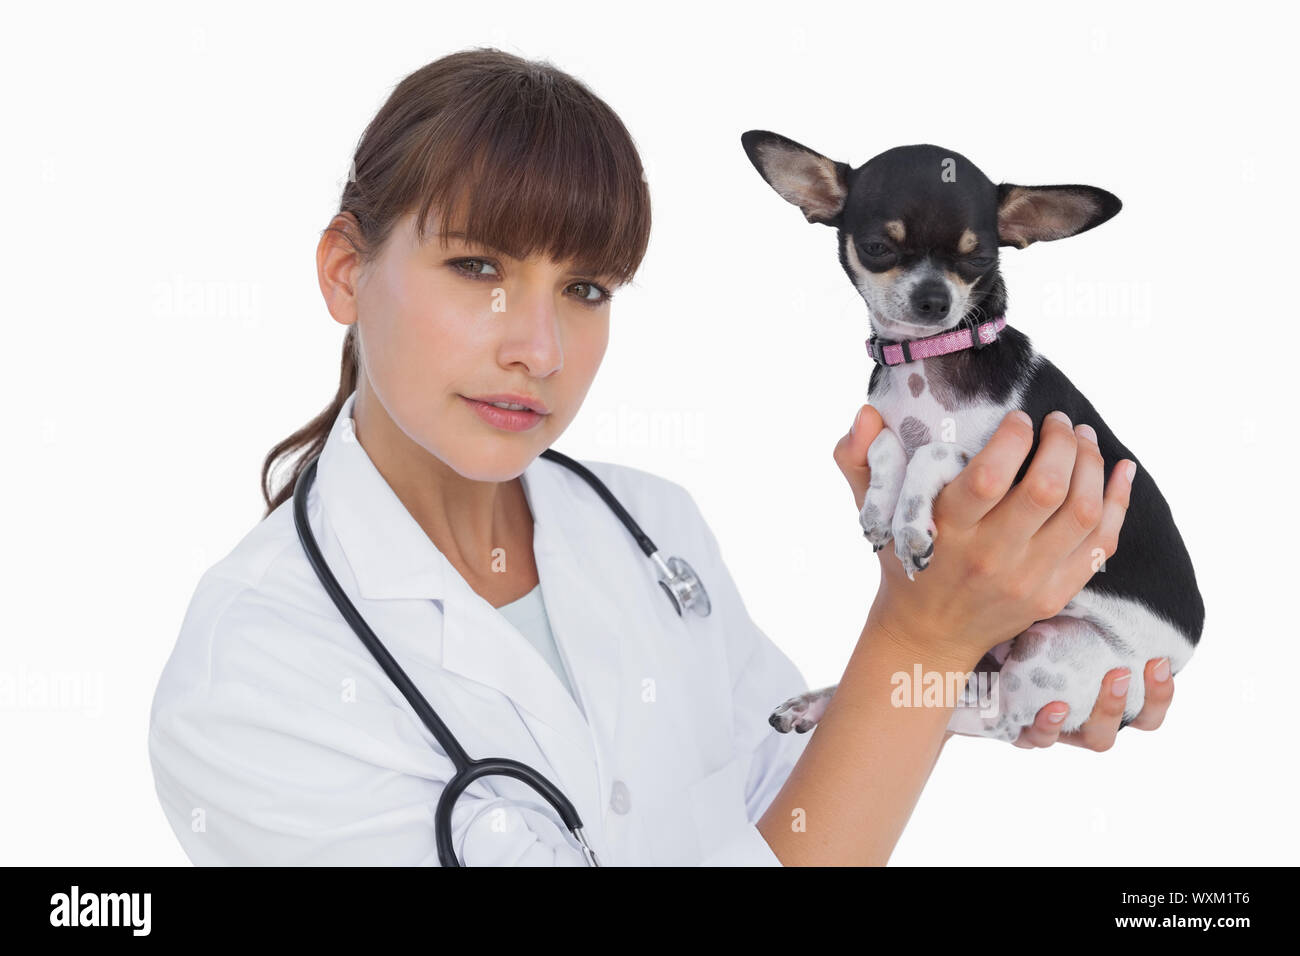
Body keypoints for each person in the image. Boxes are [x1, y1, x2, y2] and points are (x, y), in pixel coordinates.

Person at [147, 47, 1177, 867]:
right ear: (343, 271)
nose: (538, 348)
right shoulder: (253, 672)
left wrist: (972, 649)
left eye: (586, 288)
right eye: (477, 266)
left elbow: (801, 805)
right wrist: (924, 643)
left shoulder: (651, 527)